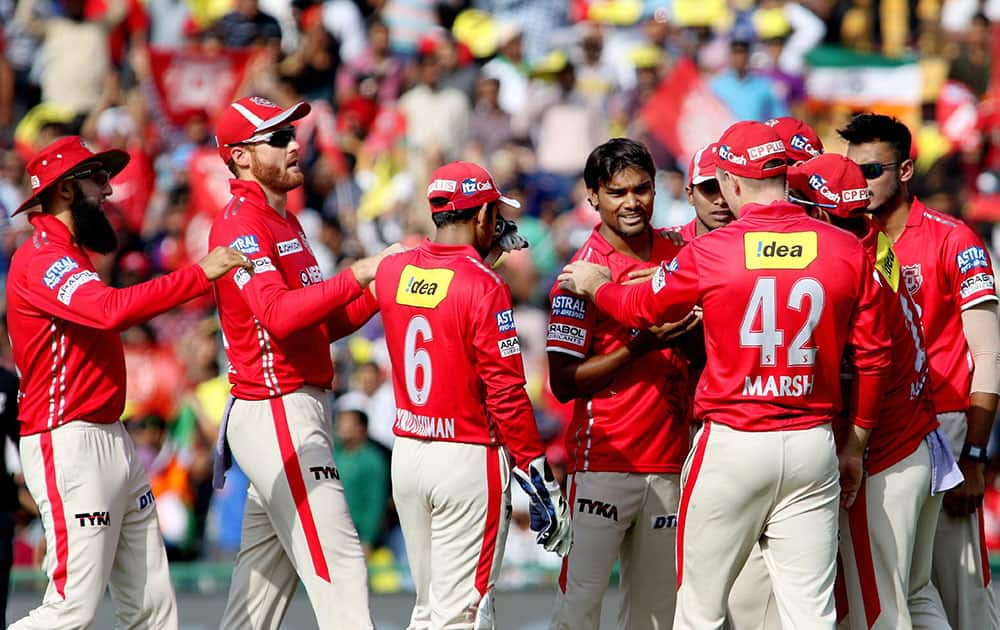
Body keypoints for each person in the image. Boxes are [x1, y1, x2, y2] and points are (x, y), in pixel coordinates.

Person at [558, 121, 892, 629]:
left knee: (698, 608)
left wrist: (598, 286)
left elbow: (640, 306)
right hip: (811, 441)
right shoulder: (846, 250)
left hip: (732, 440)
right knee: (811, 614)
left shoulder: (711, 250)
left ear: (733, 183)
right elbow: (874, 356)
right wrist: (855, 445)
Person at [5, 135, 251, 629]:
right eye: (97, 179)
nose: (110, 191)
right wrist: (201, 273)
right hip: (68, 440)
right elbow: (111, 311)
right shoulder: (41, 258)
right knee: (71, 609)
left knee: (153, 611)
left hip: (109, 438)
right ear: (66, 191)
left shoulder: (68, 257)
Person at [208, 96, 395, 630]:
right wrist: (359, 272)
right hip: (276, 410)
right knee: (341, 569)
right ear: (241, 157)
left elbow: (323, 323)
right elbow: (278, 315)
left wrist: (383, 286)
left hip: (297, 409)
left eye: (293, 134)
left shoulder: (284, 222)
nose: (295, 145)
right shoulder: (240, 226)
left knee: (256, 601)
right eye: (278, 138)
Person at [374, 160, 571, 629]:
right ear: (482, 217)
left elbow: (437, 292)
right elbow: (504, 391)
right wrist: (537, 471)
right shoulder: (485, 284)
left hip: (409, 454)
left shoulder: (393, 268)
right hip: (467, 458)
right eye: (494, 216)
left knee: (427, 609)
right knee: (464, 613)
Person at [840, 113, 1000, 630]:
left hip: (945, 429)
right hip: (872, 431)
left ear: (905, 170)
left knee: (961, 595)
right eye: (851, 171)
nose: (858, 183)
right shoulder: (845, 243)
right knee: (893, 591)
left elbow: (990, 355)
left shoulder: (954, 241)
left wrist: (975, 455)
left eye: (872, 170)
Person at [788, 153, 958, 628]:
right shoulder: (874, 240)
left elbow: (871, 362)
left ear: (820, 213)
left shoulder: (849, 263)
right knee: (914, 595)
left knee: (880, 609)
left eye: (794, 202)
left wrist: (855, 448)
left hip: (885, 451)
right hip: (918, 437)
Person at [545, 138, 698, 629]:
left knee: (657, 615)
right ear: (593, 196)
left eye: (642, 189)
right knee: (580, 609)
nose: (632, 202)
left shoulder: (680, 254)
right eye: (617, 192)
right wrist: (639, 346)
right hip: (603, 464)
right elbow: (565, 382)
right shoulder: (578, 276)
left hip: (672, 461)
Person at [676, 142, 732, 241]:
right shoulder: (667, 244)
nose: (721, 200)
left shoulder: (760, 244)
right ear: (690, 195)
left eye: (729, 188)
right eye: (710, 189)